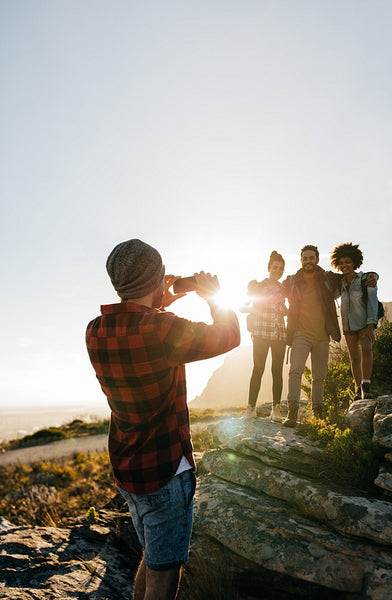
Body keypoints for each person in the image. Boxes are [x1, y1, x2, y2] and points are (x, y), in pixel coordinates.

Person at [85, 239, 240, 600]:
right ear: (158, 278)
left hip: (127, 470)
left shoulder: (94, 330)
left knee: (153, 558)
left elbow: (137, 328)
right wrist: (213, 295)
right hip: (166, 472)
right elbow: (229, 335)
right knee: (164, 576)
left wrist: (154, 302)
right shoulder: (162, 329)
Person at [281, 244, 377, 427]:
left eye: (311, 258)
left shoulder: (328, 278)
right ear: (301, 260)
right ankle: (292, 412)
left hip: (323, 336)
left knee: (319, 377)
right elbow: (275, 293)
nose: (308, 261)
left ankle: (318, 414)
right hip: (300, 334)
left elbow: (351, 275)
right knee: (295, 370)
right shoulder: (291, 280)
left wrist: (373, 275)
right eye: (305, 258)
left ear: (317, 259)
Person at [241, 251, 287, 422]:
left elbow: (286, 309)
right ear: (269, 268)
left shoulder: (284, 288)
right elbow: (243, 306)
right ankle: (250, 409)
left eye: (281, 269)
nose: (278, 271)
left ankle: (276, 411)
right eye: (275, 268)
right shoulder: (258, 285)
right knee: (258, 369)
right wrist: (256, 310)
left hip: (279, 333)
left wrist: (284, 310)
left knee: (277, 371)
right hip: (260, 332)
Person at [330, 242, 379, 400]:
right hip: (348, 327)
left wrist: (371, 326)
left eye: (348, 262)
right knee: (354, 358)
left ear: (355, 263)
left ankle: (366, 386)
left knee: (366, 351)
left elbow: (372, 302)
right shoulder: (341, 284)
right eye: (341, 263)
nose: (344, 265)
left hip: (365, 324)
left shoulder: (366, 279)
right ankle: (358, 389)